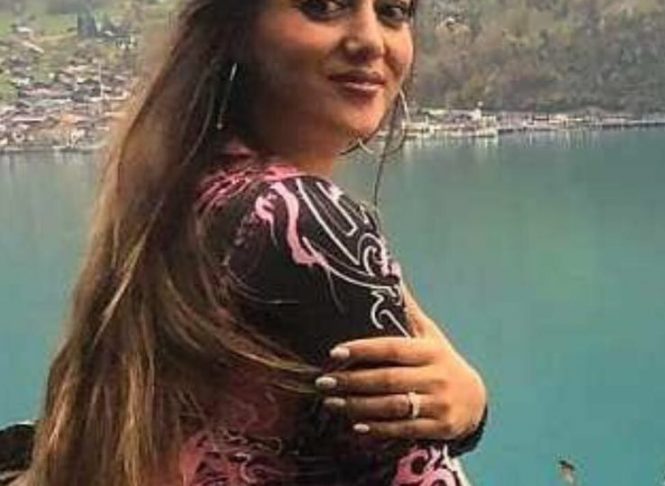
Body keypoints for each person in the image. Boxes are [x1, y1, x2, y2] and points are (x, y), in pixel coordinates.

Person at [20, 0, 489, 484]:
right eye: (324, 6)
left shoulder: (188, 190)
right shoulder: (299, 221)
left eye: (393, 11)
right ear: (239, 29)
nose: (369, 40)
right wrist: (472, 414)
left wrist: (466, 410)